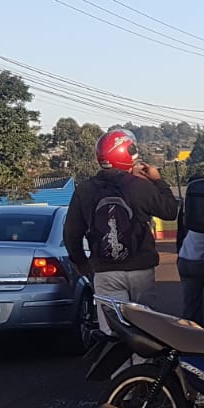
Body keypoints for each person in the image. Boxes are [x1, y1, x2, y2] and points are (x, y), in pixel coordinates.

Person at [63, 129, 179, 332]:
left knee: (114, 332)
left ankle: (119, 364)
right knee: (147, 332)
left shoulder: (84, 190)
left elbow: (71, 234)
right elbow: (170, 211)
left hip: (105, 272)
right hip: (141, 270)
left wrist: (82, 262)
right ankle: (142, 364)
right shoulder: (140, 186)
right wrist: (157, 180)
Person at [177, 176, 204, 324]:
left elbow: (181, 233)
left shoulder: (190, 209)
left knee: (191, 304)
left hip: (184, 257)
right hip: (199, 262)